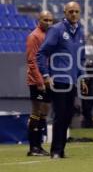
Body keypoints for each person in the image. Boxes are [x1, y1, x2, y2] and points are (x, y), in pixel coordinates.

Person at [37, 1, 88, 159]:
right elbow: (41, 53)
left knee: (67, 116)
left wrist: (82, 78)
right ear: (65, 13)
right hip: (58, 81)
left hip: (72, 81)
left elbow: (81, 58)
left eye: (76, 11)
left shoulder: (80, 31)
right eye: (70, 11)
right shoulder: (56, 30)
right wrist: (46, 75)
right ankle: (56, 151)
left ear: (80, 13)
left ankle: (61, 149)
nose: (74, 14)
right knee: (60, 115)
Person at [26, 11, 54, 156]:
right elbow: (32, 61)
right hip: (37, 81)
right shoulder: (34, 36)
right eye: (45, 20)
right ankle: (33, 147)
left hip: (47, 79)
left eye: (50, 20)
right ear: (39, 20)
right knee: (36, 112)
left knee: (44, 112)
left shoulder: (49, 36)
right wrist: (39, 81)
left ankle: (39, 145)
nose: (48, 23)